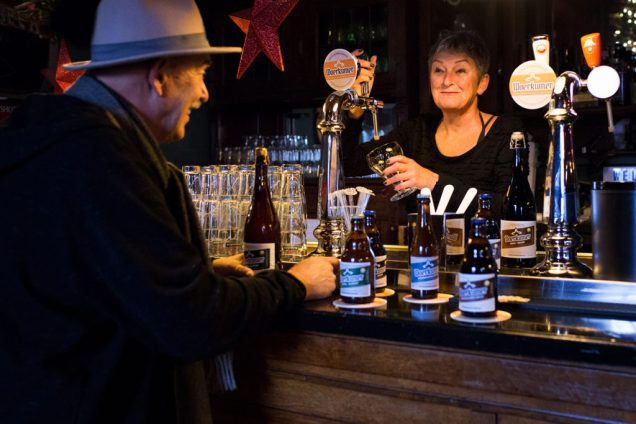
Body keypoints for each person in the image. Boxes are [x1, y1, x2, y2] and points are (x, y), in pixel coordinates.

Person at [0, 0, 337, 423]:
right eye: (198, 73)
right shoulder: (104, 158)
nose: (204, 92)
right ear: (159, 77)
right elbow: (192, 321)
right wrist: (294, 284)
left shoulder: (46, 142)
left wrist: (193, 272)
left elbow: (83, 281)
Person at [342, 29, 525, 218]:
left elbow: (510, 209)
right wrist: (354, 113)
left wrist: (432, 182)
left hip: (482, 247)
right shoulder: (416, 131)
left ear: (482, 83)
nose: (447, 81)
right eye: (439, 70)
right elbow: (347, 164)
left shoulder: (507, 133)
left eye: (460, 70)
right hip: (423, 246)